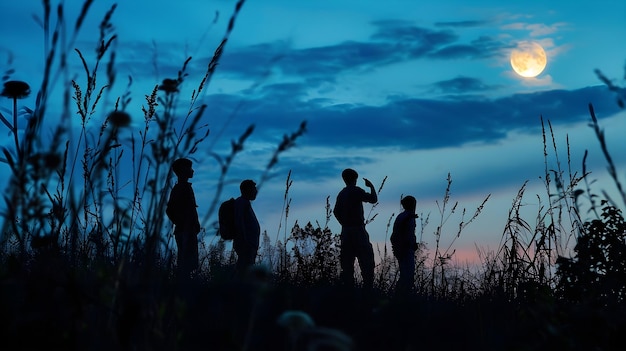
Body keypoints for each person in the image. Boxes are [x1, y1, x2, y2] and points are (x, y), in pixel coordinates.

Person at [333, 168, 377, 289]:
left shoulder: (341, 194)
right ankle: (367, 290)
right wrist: (371, 186)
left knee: (347, 264)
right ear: (354, 179)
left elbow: (335, 211)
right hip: (358, 230)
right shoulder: (356, 191)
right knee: (367, 261)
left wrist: (344, 223)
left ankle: (349, 291)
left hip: (346, 232)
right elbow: (373, 199)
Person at [166, 158, 201, 280]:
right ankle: (182, 287)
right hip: (185, 231)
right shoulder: (180, 188)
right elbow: (169, 210)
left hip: (188, 230)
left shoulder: (185, 187)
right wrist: (183, 223)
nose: (192, 171)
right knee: (185, 263)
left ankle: (184, 285)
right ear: (182, 170)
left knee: (189, 262)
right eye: (189, 168)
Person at [390, 195, 419, 295]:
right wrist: (405, 246)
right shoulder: (407, 217)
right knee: (407, 275)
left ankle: (401, 294)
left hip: (404, 249)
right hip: (405, 250)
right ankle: (402, 295)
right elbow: (402, 233)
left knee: (405, 274)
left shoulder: (403, 216)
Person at [233, 179, 261, 276]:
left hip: (249, 244)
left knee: (245, 269)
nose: (256, 191)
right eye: (254, 189)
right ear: (247, 190)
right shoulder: (242, 203)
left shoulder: (245, 203)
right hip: (246, 244)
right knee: (244, 270)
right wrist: (245, 241)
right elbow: (239, 222)